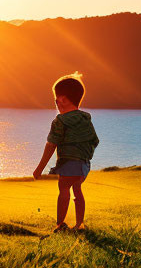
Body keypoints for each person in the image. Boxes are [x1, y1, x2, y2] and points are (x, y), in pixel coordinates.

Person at [33, 73, 99, 233]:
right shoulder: (86, 119)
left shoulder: (60, 121)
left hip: (69, 163)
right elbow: (95, 140)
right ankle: (79, 224)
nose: (56, 103)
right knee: (77, 190)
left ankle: (60, 224)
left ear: (61, 100)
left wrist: (40, 168)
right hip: (84, 165)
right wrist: (84, 156)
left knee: (63, 188)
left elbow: (51, 145)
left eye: (56, 99)